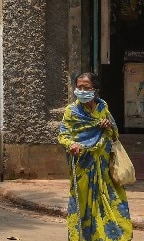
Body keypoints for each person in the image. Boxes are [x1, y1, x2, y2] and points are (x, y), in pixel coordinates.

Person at [57, 72, 132, 240]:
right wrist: (72, 144)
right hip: (83, 164)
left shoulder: (102, 107)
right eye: (79, 87)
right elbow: (63, 135)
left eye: (86, 87)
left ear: (96, 90)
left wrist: (107, 125)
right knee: (83, 203)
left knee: (112, 199)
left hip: (104, 167)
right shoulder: (72, 111)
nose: (82, 91)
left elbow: (114, 134)